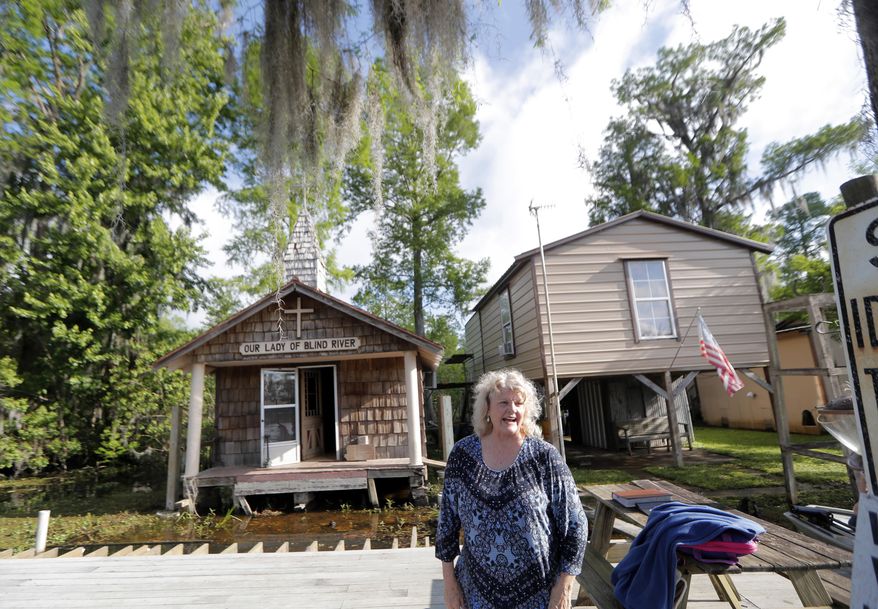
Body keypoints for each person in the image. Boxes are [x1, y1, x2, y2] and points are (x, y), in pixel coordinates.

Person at [435, 369, 587, 609]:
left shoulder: (544, 456)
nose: (512, 410)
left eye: (519, 403)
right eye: (504, 402)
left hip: (539, 594)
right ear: (487, 408)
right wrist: (449, 584)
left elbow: (576, 524)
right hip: (476, 593)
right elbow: (446, 524)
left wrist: (564, 586)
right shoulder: (463, 455)